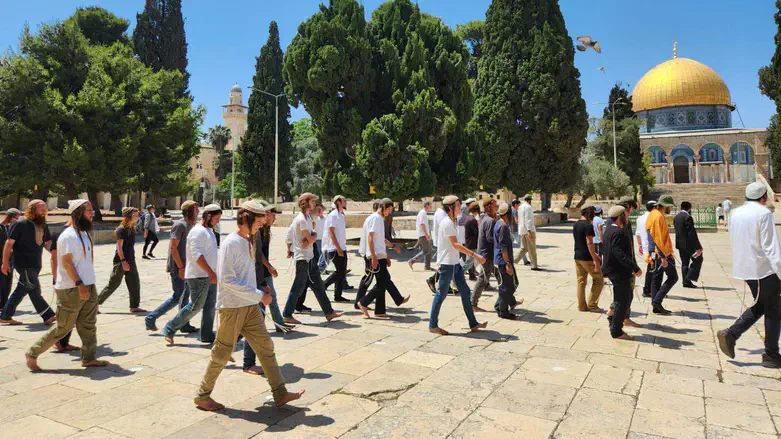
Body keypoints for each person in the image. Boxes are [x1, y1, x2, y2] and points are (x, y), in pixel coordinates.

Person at [194, 201, 305, 411]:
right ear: (247, 219)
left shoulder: (248, 241)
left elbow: (246, 275)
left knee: (265, 347)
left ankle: (280, 393)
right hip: (233, 307)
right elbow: (227, 280)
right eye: (259, 221)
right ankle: (202, 395)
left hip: (250, 307)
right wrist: (259, 295)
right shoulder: (231, 243)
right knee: (222, 354)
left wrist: (261, 289)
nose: (261, 225)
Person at [26, 200, 109, 371]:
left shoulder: (84, 233)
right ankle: (33, 352)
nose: (92, 213)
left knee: (88, 324)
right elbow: (67, 262)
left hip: (88, 285)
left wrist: (88, 284)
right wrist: (80, 284)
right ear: (78, 213)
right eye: (89, 211)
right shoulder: (68, 236)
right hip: (72, 288)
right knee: (63, 327)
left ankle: (89, 358)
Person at [716, 182, 781, 368]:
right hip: (764, 270)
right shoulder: (763, 214)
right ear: (763, 198)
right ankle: (770, 353)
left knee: (764, 306)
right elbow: (771, 246)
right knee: (774, 311)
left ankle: (733, 335)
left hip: (746, 268)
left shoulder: (735, 213)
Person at [162, 204, 222, 345]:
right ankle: (170, 328)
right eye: (217, 218)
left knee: (210, 306)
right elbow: (197, 255)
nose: (218, 221)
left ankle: (207, 335)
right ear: (208, 216)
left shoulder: (208, 231)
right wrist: (210, 272)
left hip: (209, 274)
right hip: (198, 275)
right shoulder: (198, 231)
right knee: (195, 306)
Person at [428, 195, 488, 336]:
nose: (460, 208)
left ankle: (473, 323)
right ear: (450, 208)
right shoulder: (447, 223)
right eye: (457, 205)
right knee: (441, 294)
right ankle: (432, 325)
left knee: (465, 291)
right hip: (447, 264)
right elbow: (456, 245)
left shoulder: (452, 221)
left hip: (455, 263)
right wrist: (475, 255)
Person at [282, 193, 343, 325]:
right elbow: (309, 239)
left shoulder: (308, 217)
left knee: (318, 285)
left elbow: (310, 238)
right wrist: (312, 237)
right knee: (298, 286)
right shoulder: (302, 220)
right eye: (313, 201)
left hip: (309, 257)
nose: (315, 203)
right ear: (306, 202)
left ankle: (329, 312)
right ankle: (287, 314)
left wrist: (311, 238)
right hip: (303, 258)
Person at [145, 201, 199, 333]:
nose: (198, 212)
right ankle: (151, 318)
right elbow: (173, 248)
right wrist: (180, 268)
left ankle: (184, 324)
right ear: (189, 211)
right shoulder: (180, 225)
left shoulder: (191, 225)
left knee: (185, 297)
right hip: (178, 268)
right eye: (196, 210)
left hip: (186, 267)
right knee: (178, 296)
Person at [0, 200, 56, 325]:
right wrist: (5, 263)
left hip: (36, 264)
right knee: (34, 289)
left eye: (45, 210)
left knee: (22, 289)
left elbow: (47, 243)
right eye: (41, 210)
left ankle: (5, 315)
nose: (43, 212)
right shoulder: (20, 223)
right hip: (23, 263)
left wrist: (56, 253)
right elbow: (9, 244)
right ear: (32, 209)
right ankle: (48, 315)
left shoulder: (42, 224)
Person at [355, 199, 410, 318]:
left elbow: (380, 240)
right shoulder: (376, 219)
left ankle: (380, 311)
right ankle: (363, 302)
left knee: (382, 282)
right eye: (390, 209)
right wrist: (374, 257)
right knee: (384, 281)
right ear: (384, 207)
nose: (390, 212)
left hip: (379, 255)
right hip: (375, 256)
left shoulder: (379, 219)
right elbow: (370, 238)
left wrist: (390, 250)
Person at [602, 205, 642, 340]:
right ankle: (616, 330)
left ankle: (613, 322)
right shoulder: (618, 232)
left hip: (612, 269)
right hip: (618, 271)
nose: (627, 217)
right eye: (625, 215)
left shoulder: (608, 230)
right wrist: (634, 267)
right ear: (620, 217)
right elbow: (619, 253)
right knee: (622, 300)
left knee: (626, 297)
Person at [98, 207, 145, 313]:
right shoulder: (121, 229)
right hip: (121, 260)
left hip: (131, 259)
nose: (138, 216)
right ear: (129, 216)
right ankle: (95, 303)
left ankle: (134, 306)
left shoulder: (132, 228)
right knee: (113, 283)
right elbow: (119, 247)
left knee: (134, 282)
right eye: (136, 214)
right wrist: (123, 261)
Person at [647, 195, 678, 315]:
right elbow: (657, 238)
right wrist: (663, 256)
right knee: (673, 277)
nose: (670, 208)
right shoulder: (658, 217)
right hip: (661, 252)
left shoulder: (653, 214)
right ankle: (657, 302)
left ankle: (656, 306)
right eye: (669, 206)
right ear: (665, 205)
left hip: (655, 251)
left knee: (656, 277)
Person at [494, 202, 523, 319]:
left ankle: (499, 306)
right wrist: (507, 264)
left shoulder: (499, 224)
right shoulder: (503, 227)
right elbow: (503, 246)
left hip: (502, 260)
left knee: (509, 284)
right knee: (507, 286)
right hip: (503, 261)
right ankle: (503, 311)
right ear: (507, 214)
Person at [573, 206, 604, 313]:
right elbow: (589, 243)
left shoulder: (576, 224)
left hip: (577, 256)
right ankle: (592, 304)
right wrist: (595, 258)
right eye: (593, 214)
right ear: (589, 214)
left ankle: (581, 306)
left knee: (581, 282)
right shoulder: (588, 225)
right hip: (587, 257)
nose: (594, 216)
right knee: (599, 280)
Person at [323, 195, 350, 302]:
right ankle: (323, 285)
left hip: (342, 247)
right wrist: (338, 248)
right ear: (338, 202)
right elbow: (331, 232)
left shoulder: (341, 215)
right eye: (344, 201)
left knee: (342, 272)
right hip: (334, 248)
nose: (346, 202)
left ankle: (338, 296)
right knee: (339, 271)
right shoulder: (334, 215)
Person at [473, 198, 497, 312]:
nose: (496, 208)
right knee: (482, 279)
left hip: (486, 253)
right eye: (494, 206)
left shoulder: (485, 219)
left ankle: (509, 300)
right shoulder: (489, 221)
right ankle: (473, 303)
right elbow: (490, 238)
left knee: (498, 274)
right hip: (487, 254)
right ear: (488, 207)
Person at [674, 201, 703, 289]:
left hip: (680, 244)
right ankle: (689, 278)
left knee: (685, 263)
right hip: (689, 245)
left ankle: (686, 282)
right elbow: (692, 233)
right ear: (689, 208)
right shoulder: (688, 217)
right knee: (698, 259)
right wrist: (698, 247)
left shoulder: (676, 217)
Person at [0, 208, 21, 309]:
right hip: (1, 259)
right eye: (16, 219)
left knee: (8, 282)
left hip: (10, 259)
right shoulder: (0, 228)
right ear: (10, 217)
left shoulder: (12, 228)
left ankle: (4, 303)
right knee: (2, 282)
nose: (17, 221)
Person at [636, 201, 656, 298]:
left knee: (652, 266)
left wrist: (640, 245)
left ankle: (650, 289)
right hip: (653, 247)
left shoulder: (640, 218)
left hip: (645, 247)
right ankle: (648, 290)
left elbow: (638, 233)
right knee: (652, 268)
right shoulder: (653, 217)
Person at [515, 194, 540, 270]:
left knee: (524, 248)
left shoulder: (520, 207)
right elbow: (528, 219)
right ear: (529, 200)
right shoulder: (528, 207)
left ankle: (513, 260)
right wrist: (529, 230)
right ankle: (534, 266)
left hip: (522, 231)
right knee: (532, 249)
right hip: (529, 231)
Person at [408, 201, 433, 271]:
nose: (431, 207)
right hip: (423, 235)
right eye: (430, 205)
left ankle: (427, 266)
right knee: (426, 250)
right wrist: (426, 235)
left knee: (429, 250)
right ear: (427, 206)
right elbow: (422, 225)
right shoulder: (422, 213)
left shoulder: (423, 213)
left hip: (424, 235)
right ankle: (412, 261)